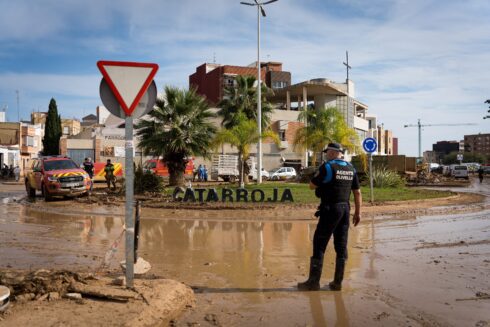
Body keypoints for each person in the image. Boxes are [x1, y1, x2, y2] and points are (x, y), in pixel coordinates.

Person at [297, 142, 362, 291]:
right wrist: (358, 213)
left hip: (330, 208)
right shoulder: (351, 169)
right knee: (341, 244)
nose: (327, 154)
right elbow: (357, 192)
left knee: (319, 243)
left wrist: (322, 186)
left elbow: (312, 185)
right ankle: (337, 283)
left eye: (328, 152)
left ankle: (313, 282)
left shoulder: (327, 167)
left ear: (333, 153)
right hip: (345, 209)